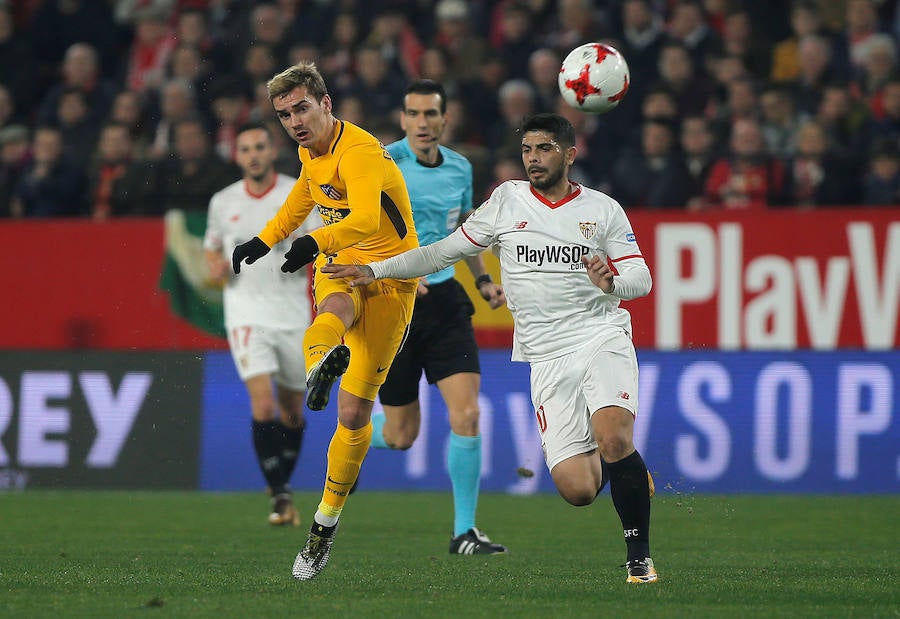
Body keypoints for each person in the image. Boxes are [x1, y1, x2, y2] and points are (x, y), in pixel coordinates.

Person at [323, 113, 658, 584]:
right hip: (544, 356)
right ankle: (623, 469)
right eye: (527, 150)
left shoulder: (603, 210)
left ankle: (638, 559)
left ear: (569, 154)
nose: (533, 159)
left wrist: (613, 281)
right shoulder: (506, 201)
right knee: (579, 489)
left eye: (544, 149)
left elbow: (642, 278)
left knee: (614, 435)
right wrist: (377, 271)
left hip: (599, 334)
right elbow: (441, 251)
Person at [231, 62, 419, 581]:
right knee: (332, 309)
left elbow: (359, 217)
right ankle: (320, 365)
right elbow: (300, 200)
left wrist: (316, 240)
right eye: (284, 113)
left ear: (326, 103)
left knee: (355, 416)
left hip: (390, 277)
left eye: (301, 109)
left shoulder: (358, 152)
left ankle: (323, 527)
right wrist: (264, 240)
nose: (293, 121)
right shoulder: (310, 152)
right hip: (342, 266)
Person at [370, 79, 508, 555]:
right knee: (400, 436)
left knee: (467, 414)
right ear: (402, 119)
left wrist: (484, 279)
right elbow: (356, 226)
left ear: (445, 119)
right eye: (414, 114)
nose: (423, 123)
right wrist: (401, 269)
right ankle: (349, 430)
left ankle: (464, 532)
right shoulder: (384, 164)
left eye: (431, 114)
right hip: (395, 305)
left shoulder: (461, 168)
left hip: (447, 302)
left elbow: (463, 230)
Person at [204, 122, 321, 528]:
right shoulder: (222, 201)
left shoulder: (297, 192)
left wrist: (306, 255)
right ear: (237, 156)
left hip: (292, 315)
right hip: (246, 313)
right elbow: (212, 251)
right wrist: (215, 270)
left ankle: (281, 490)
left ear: (272, 152)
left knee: (292, 412)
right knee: (264, 404)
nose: (253, 154)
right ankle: (280, 496)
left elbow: (322, 243)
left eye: (259, 147)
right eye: (245, 149)